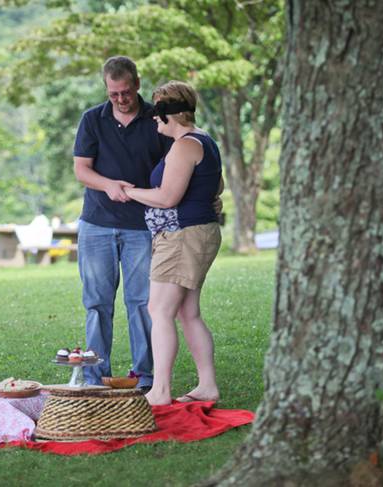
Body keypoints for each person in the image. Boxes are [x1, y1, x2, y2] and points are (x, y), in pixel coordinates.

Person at [72, 56, 173, 390]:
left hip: (142, 225)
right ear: (106, 88)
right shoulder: (92, 119)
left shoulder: (157, 121)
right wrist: (109, 185)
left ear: (138, 84)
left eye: (126, 92)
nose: (120, 99)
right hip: (97, 224)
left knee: (142, 302)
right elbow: (81, 169)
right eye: (113, 94)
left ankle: (145, 377)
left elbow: (174, 167)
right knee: (97, 303)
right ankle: (94, 377)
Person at [124, 81, 223, 406]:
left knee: (160, 310)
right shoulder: (204, 141)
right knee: (187, 312)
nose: (154, 119)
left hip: (182, 237)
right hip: (197, 234)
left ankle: (161, 390)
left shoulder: (184, 146)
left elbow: (167, 198)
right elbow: (216, 187)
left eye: (157, 113)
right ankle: (207, 386)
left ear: (170, 114)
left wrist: (129, 191)